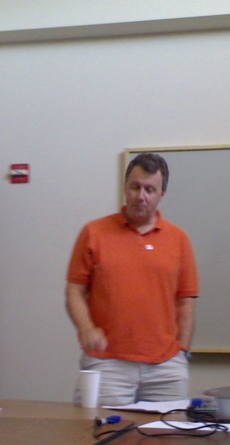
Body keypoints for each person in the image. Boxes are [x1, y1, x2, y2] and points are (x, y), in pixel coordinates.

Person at [65, 152, 199, 406]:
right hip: (107, 364)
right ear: (125, 188)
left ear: (162, 195)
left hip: (166, 368)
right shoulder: (94, 233)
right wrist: (87, 329)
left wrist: (182, 352)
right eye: (135, 187)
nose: (141, 196)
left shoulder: (179, 240)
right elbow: (75, 291)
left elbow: (186, 302)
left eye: (150, 189)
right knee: (101, 440)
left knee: (170, 442)